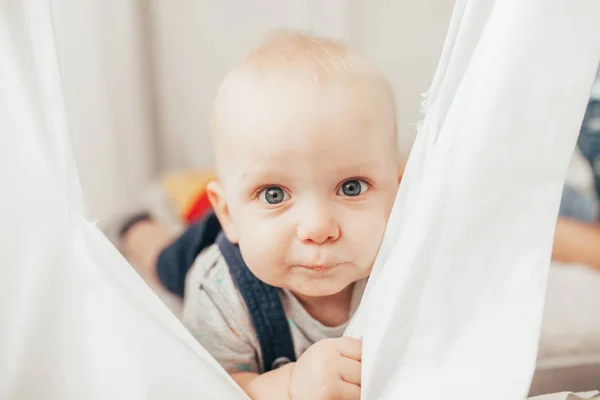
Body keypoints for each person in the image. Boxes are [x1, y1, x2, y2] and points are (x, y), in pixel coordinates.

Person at [125, 31, 400, 400]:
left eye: (351, 187)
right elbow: (209, 385)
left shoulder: (405, 264)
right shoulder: (219, 291)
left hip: (261, 232)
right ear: (229, 213)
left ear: (400, 192)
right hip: (222, 250)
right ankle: (137, 228)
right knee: (166, 260)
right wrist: (289, 386)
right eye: (274, 193)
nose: (318, 229)